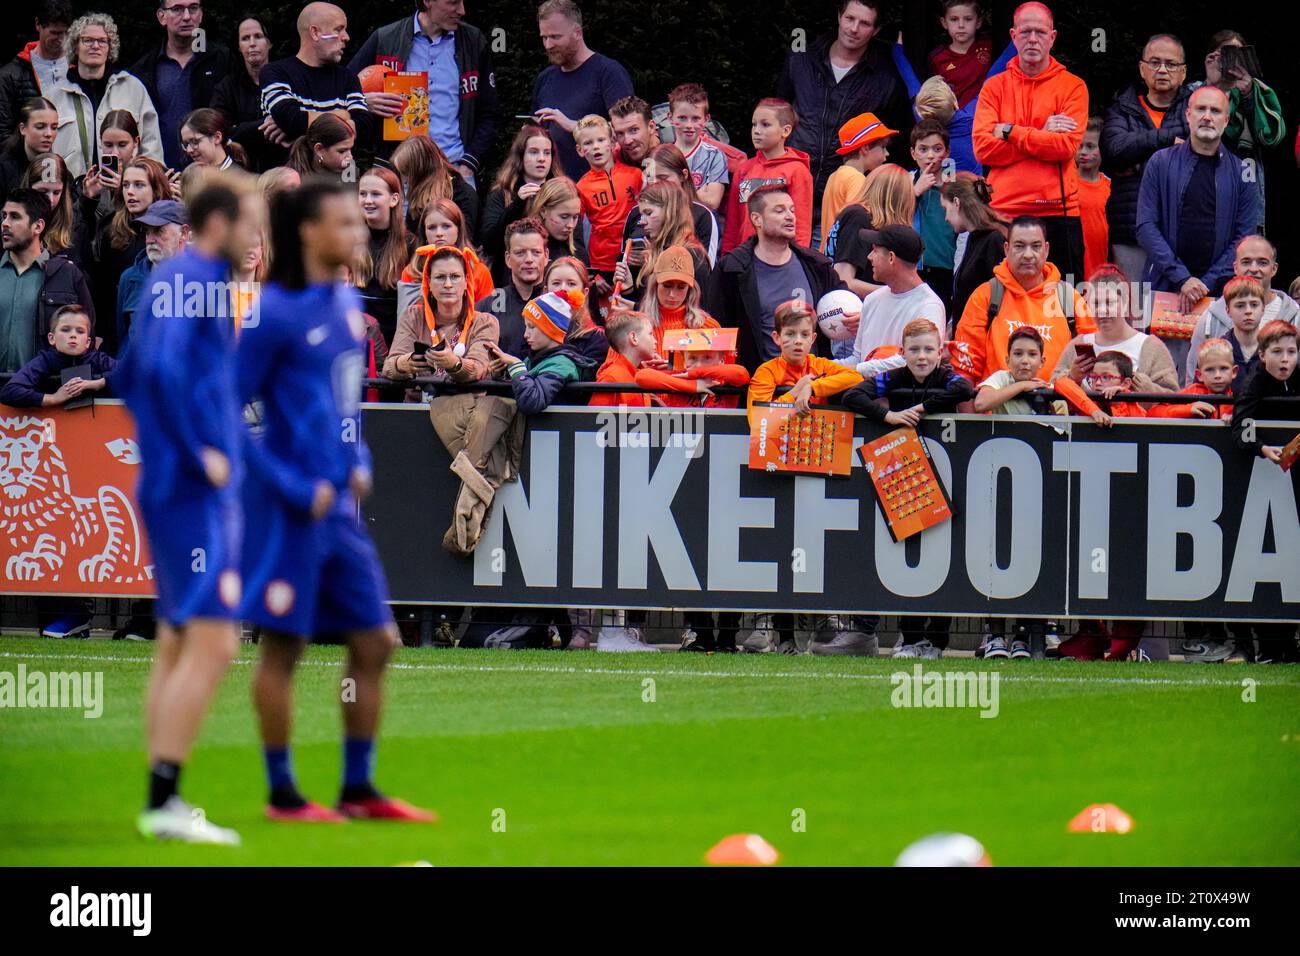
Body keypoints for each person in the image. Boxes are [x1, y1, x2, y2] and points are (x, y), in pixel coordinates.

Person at [237, 175, 434, 823]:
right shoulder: (272, 314)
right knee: (284, 648)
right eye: (344, 223)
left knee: (377, 642)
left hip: (337, 512)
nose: (357, 233)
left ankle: (358, 789)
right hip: (288, 511)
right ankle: (282, 794)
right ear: (307, 234)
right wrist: (296, 486)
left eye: (358, 222)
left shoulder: (346, 309)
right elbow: (225, 418)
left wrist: (356, 462)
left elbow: (342, 406)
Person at [114, 170, 261, 844]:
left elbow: (134, 371)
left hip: (172, 477)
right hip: (189, 484)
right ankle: (164, 800)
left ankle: (160, 798)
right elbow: (165, 372)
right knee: (213, 640)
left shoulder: (172, 280)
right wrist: (200, 450)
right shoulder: (196, 280)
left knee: (177, 643)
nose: (256, 234)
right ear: (221, 224)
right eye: (250, 222)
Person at [744, 299, 861, 656]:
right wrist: (792, 395)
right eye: (790, 334)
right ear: (776, 337)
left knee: (817, 546)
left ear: (814, 338)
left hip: (816, 467)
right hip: (776, 471)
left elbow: (854, 376)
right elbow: (755, 418)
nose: (798, 341)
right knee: (773, 547)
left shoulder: (818, 367)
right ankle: (766, 625)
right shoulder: (767, 371)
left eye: (805, 334)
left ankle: (817, 622)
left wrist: (814, 386)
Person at [971, 2, 1088, 283]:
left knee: (1063, 309)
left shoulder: (1073, 86)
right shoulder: (994, 86)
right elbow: (983, 149)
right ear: (1013, 36)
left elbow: (1064, 148)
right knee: (993, 305)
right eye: (1025, 32)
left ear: (1052, 37)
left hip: (1058, 212)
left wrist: (1011, 131)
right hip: (1003, 212)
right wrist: (1042, 133)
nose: (1032, 39)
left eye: (1039, 32)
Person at [775, 0, 909, 241]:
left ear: (876, 30)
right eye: (849, 18)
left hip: (843, 196)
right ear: (839, 16)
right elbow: (777, 112)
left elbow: (889, 142)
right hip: (790, 188)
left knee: (825, 272)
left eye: (864, 23)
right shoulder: (803, 59)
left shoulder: (885, 77)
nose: (854, 28)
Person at [1135, 86, 1260, 316]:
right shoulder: (1160, 163)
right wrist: (1182, 278)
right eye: (1201, 109)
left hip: (1220, 292)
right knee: (1159, 352)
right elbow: (1145, 227)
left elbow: (1245, 238)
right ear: (1188, 115)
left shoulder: (1243, 172)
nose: (1207, 116)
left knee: (1217, 352)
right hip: (1164, 284)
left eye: (1215, 111)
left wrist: (1204, 284)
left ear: (1226, 120)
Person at [348, 0, 500, 179]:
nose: (462, 10)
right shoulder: (386, 38)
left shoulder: (473, 41)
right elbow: (341, 91)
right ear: (427, 1)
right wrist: (364, 102)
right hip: (398, 173)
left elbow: (490, 112)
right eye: (453, 3)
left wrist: (469, 164)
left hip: (454, 172)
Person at [707, 186, 843, 372]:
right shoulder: (732, 269)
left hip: (811, 387)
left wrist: (853, 317)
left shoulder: (816, 265)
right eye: (779, 210)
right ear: (757, 219)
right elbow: (715, 327)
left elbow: (844, 302)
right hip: (758, 385)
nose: (790, 216)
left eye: (792, 210)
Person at [950, 215, 1094, 385]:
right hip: (996, 409)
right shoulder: (985, 296)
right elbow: (965, 369)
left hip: (1057, 408)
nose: (1028, 255)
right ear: (1006, 249)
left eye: (1036, 246)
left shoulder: (1069, 297)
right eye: (1019, 246)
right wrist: (970, 412)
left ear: (1046, 250)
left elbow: (1093, 363)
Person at [1100, 33, 1191, 285]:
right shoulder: (1122, 109)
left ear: (1183, 73)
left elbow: (1200, 155)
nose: (1162, 69)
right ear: (1142, 69)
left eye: (1171, 64)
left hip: (1181, 231)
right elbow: (1115, 151)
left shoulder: (1195, 109)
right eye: (1154, 62)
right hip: (1131, 230)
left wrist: (1141, 156)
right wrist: (1167, 142)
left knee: (1179, 316)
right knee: (1134, 311)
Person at [1186, 31, 1286, 231]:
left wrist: (1247, 94)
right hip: (1203, 189)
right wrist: (1213, 85)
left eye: (1236, 54)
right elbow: (1190, 130)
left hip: (1245, 186)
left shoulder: (1257, 91)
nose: (1230, 61)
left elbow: (1271, 139)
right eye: (1223, 54)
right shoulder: (1194, 92)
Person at [48, 14, 163, 180]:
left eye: (102, 41)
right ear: (75, 45)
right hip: (70, 196)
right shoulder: (55, 95)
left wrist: (150, 183)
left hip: (125, 194)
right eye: (88, 40)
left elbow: (152, 148)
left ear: (110, 47)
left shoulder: (133, 88)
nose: (95, 46)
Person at [531, 0, 634, 180]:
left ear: (577, 33)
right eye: (544, 37)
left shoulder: (608, 73)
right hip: (556, 193)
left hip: (604, 190)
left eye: (555, 37)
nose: (548, 45)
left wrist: (574, 126)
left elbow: (626, 131)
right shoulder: (545, 78)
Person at [81, 156, 172, 354]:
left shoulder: (174, 227)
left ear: (156, 190)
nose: (130, 192)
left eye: (139, 185)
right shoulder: (111, 228)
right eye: (126, 185)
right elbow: (103, 291)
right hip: (122, 325)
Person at [128, 0, 231, 171]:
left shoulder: (221, 61)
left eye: (193, 8)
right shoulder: (144, 69)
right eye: (177, 9)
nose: (186, 17)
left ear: (201, 15)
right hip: (160, 173)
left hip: (212, 174)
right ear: (162, 17)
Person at [259, 2, 372, 158]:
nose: (346, 37)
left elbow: (365, 127)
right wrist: (344, 115)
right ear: (315, 33)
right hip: (291, 178)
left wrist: (301, 129)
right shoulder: (276, 72)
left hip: (341, 179)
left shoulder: (347, 77)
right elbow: (291, 119)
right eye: (338, 29)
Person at [0, 188, 93, 374]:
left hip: (46, 392)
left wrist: (72, 397)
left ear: (38, 226)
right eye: (4, 216)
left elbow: (85, 346)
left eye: (15, 217)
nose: (5, 224)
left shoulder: (68, 275)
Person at [1186, 235, 1298, 383]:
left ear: (1274, 269)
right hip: (1223, 405)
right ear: (1235, 268)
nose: (1253, 269)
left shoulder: (1296, 316)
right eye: (1246, 262)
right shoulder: (1211, 317)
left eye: (1262, 262)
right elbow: (1194, 375)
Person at [1051, 263, 1178, 393]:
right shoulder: (1078, 344)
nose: (1101, 311)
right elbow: (1052, 389)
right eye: (1095, 303)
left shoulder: (1151, 347)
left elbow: (1173, 398)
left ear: (1125, 302)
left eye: (1109, 303)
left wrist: (1149, 390)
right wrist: (1071, 378)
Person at [383, 244, 498, 386]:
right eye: (440, 277)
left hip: (466, 405)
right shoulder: (413, 316)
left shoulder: (485, 322)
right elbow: (388, 368)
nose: (448, 284)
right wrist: (404, 364)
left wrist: (454, 364)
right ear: (428, 282)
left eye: (455, 277)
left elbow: (479, 369)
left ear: (466, 282)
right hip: (419, 405)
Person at [722, 98, 813, 253]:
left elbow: (801, 225)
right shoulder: (744, 169)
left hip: (780, 260)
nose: (756, 130)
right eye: (754, 124)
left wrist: (797, 262)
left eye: (765, 124)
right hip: (745, 258)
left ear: (786, 130)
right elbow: (733, 223)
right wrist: (727, 257)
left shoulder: (797, 171)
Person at [850, 225, 946, 364]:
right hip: (864, 384)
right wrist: (824, 368)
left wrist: (860, 371)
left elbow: (919, 361)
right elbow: (857, 359)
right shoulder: (872, 299)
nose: (869, 257)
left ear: (891, 257)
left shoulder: (929, 307)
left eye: (875, 250)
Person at [489, 288, 594, 413]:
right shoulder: (534, 358)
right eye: (526, 327)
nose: (525, 335)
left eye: (532, 327)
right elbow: (515, 395)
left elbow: (531, 402)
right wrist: (501, 374)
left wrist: (516, 367)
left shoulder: (561, 364)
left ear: (550, 330)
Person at [611, 182, 709, 308]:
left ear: (670, 212)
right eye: (642, 214)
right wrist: (629, 289)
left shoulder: (691, 254)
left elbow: (692, 313)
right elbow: (650, 303)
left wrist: (635, 308)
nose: (641, 221)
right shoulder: (655, 251)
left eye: (649, 213)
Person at [573, 113, 641, 294]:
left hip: (635, 259)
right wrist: (591, 273)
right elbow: (574, 234)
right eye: (588, 143)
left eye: (601, 140)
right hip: (602, 267)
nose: (596, 147)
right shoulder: (581, 187)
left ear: (612, 143)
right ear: (580, 150)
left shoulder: (636, 176)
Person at [479, 124, 555, 282]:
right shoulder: (502, 194)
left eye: (547, 153)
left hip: (552, 280)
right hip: (508, 283)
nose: (541, 158)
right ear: (520, 156)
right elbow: (489, 243)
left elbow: (575, 242)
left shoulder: (561, 192)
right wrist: (517, 204)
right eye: (534, 152)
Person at [828, 163, 914, 301]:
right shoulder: (859, 217)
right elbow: (843, 280)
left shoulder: (860, 215)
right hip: (848, 309)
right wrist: (896, 292)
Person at [0, 303, 114, 407]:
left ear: (88, 342)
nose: (73, 335)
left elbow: (128, 373)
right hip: (53, 426)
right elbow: (9, 391)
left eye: (80, 331)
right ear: (52, 338)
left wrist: (96, 383)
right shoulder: (45, 360)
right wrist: (54, 398)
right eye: (65, 330)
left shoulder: (98, 359)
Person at [211, 16, 283, 173]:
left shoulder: (288, 81)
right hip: (240, 174)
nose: (252, 43)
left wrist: (242, 130)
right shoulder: (227, 87)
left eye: (258, 36)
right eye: (245, 38)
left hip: (285, 170)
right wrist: (269, 124)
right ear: (238, 46)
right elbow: (220, 132)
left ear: (269, 43)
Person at [117, 198, 189, 349]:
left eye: (158, 231)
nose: (149, 240)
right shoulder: (130, 279)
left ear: (183, 233)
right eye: (147, 232)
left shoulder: (205, 279)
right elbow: (123, 341)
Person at [630, 143, 720, 265]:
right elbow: (622, 262)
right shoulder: (636, 213)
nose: (656, 184)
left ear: (683, 175)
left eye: (663, 177)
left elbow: (706, 271)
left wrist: (654, 259)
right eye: (650, 178)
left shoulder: (703, 215)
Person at [818, 112, 895, 251]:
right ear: (865, 148)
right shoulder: (857, 179)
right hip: (843, 259)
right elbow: (856, 223)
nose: (887, 154)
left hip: (828, 255)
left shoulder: (835, 175)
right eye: (883, 147)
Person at [355, 165, 413, 345]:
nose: (367, 200)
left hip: (394, 342)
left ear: (394, 199)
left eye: (375, 194)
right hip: (356, 338)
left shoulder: (409, 244)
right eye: (362, 194)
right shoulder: (348, 240)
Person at [477, 217, 548, 360]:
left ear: (546, 256)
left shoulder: (558, 305)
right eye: (520, 253)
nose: (529, 259)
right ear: (508, 259)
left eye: (536, 252)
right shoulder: (487, 306)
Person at [940, 172, 1008, 319]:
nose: (945, 218)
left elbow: (1000, 303)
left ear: (957, 203)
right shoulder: (975, 237)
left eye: (945, 209)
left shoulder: (994, 240)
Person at [0, 2, 72, 141]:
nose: (61, 39)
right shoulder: (10, 75)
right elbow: (3, 131)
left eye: (66, 32)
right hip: (28, 160)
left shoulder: (81, 69)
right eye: (55, 33)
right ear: (38, 24)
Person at [1232, 320, 1298, 464]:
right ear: (1262, 355)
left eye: (1291, 352)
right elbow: (1240, 429)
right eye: (1277, 352)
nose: (1285, 359)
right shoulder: (1251, 385)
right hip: (1262, 463)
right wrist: (1262, 448)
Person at [392, 134, 480, 241]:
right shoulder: (418, 199)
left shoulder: (464, 195)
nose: (404, 181)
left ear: (422, 171)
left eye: (407, 173)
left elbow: (464, 240)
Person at [638, 244, 718, 358]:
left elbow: (724, 370)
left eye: (681, 287)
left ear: (690, 290)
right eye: (666, 286)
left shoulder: (708, 327)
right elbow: (612, 370)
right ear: (654, 285)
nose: (672, 295)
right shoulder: (634, 327)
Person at [909, 118, 956, 306]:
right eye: (923, 149)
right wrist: (914, 192)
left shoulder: (953, 184)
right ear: (913, 153)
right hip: (913, 267)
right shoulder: (906, 180)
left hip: (946, 267)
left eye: (937, 149)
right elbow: (893, 218)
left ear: (947, 152)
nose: (930, 156)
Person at [664, 83, 728, 212]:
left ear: (706, 119)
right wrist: (698, 192)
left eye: (695, 118)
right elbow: (653, 197)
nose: (688, 125)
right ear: (670, 117)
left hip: (701, 227)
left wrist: (670, 190)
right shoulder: (661, 155)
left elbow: (712, 201)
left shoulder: (715, 156)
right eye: (682, 118)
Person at [416, 198, 493, 304]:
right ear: (424, 232)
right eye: (432, 227)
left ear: (458, 230)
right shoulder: (412, 271)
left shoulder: (479, 271)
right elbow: (405, 316)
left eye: (446, 226)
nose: (439, 233)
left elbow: (488, 314)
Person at [973, 324, 1054, 415]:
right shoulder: (1001, 378)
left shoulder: (1044, 386)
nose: (1024, 361)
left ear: (1042, 362)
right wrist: (1022, 386)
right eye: (1018, 354)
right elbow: (980, 403)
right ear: (1008, 361)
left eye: (1032, 354)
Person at [588, 308, 660, 409]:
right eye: (650, 334)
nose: (655, 341)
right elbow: (593, 420)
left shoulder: (639, 375)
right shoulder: (611, 377)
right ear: (634, 338)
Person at [1148, 337, 1235, 420]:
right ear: (1199, 375)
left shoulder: (1240, 395)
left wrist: (1237, 418)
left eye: (1224, 368)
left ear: (1234, 372)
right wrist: (1187, 410)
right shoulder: (1193, 393)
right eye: (1210, 370)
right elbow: (1153, 413)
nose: (1217, 375)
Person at [548, 255, 606, 366]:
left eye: (571, 284)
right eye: (556, 283)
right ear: (546, 290)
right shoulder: (533, 332)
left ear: (585, 292)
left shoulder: (597, 338)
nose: (563, 288)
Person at [1074, 116, 1110, 281]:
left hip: (1103, 267)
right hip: (1074, 267)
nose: (1083, 152)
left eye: (1090, 146)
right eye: (1079, 146)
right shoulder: (1066, 184)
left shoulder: (1111, 187)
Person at [1, 97, 58, 200]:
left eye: (54, 127)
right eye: (40, 126)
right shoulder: (4, 169)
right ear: (22, 129)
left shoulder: (58, 168)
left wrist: (86, 198)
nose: (49, 134)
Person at [18, 154, 75, 258]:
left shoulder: (74, 225)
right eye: (43, 192)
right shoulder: (9, 222)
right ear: (29, 187)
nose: (50, 200)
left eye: (57, 192)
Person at [525, 176, 587, 265]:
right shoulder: (526, 250)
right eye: (564, 217)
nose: (571, 225)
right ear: (543, 211)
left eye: (575, 217)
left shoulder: (577, 250)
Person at [285, 111, 355, 180]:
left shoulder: (348, 177)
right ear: (319, 149)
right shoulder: (292, 181)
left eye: (350, 149)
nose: (350, 157)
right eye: (342, 151)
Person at [179, 108, 248, 170]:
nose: (189, 150)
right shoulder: (194, 177)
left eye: (195, 141)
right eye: (186, 144)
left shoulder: (238, 179)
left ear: (217, 137)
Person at [609, 95, 659, 168]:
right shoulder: (614, 157)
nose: (627, 141)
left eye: (634, 130)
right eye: (620, 133)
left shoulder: (676, 149)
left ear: (651, 127)